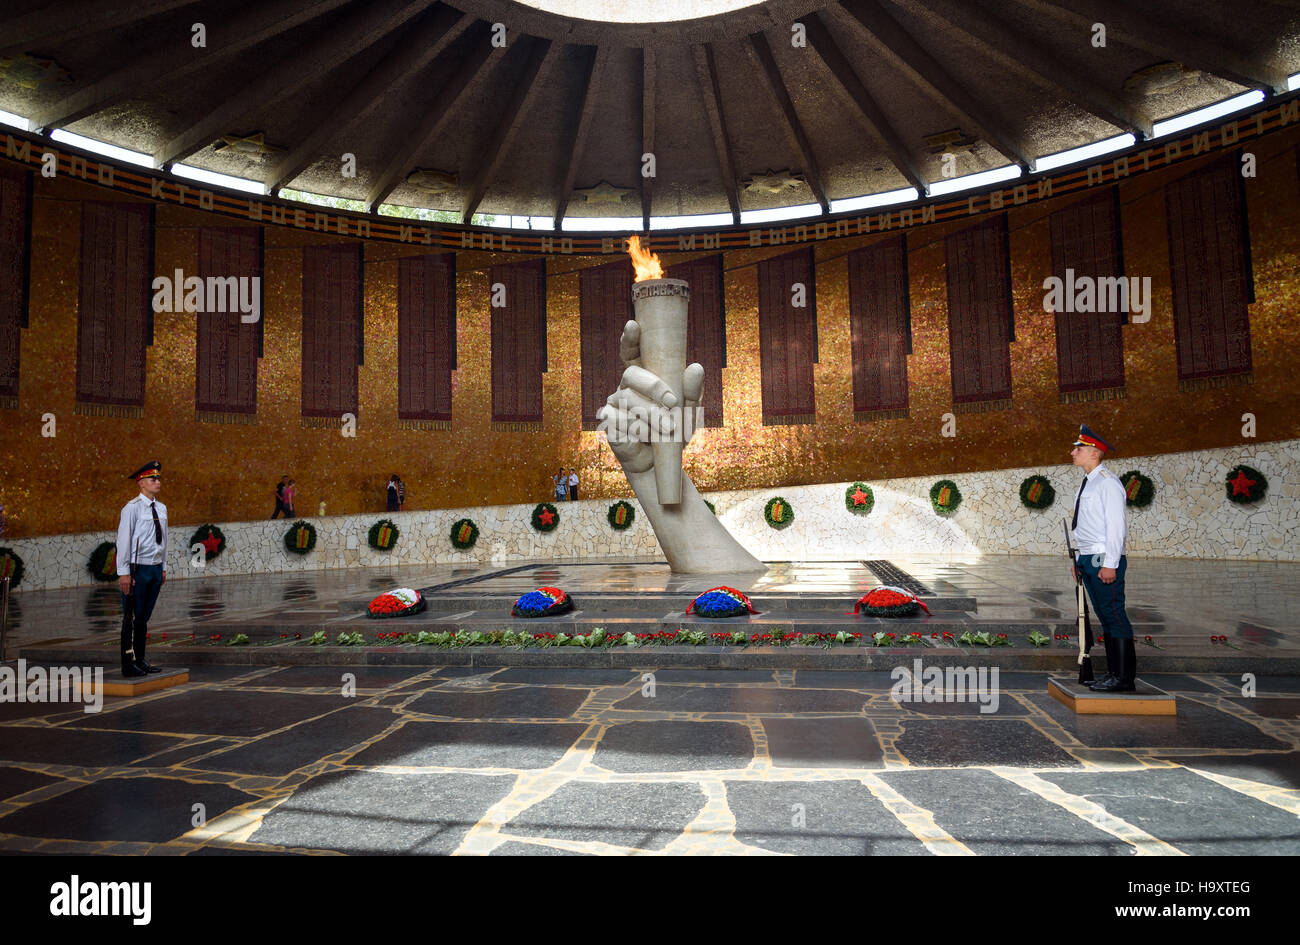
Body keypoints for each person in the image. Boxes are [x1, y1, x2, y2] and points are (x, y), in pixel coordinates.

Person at [1068, 424, 1137, 692]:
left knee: (1113, 614)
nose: (1073, 452)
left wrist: (1110, 563)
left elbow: (1115, 526)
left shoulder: (1107, 483)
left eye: (1079, 448)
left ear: (1095, 453)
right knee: (1105, 616)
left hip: (1102, 558)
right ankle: (1112, 674)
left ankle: (1123, 678)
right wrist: (1080, 560)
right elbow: (1086, 525)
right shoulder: (1089, 482)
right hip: (1089, 556)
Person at [117, 461, 168, 677]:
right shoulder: (132, 508)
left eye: (158, 478)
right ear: (141, 483)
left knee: (144, 618)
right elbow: (124, 540)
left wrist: (163, 567)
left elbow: (164, 539)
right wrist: (124, 573)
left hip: (155, 569)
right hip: (138, 570)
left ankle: (140, 659)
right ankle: (128, 663)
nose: (157, 482)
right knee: (131, 617)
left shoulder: (162, 508)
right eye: (152, 479)